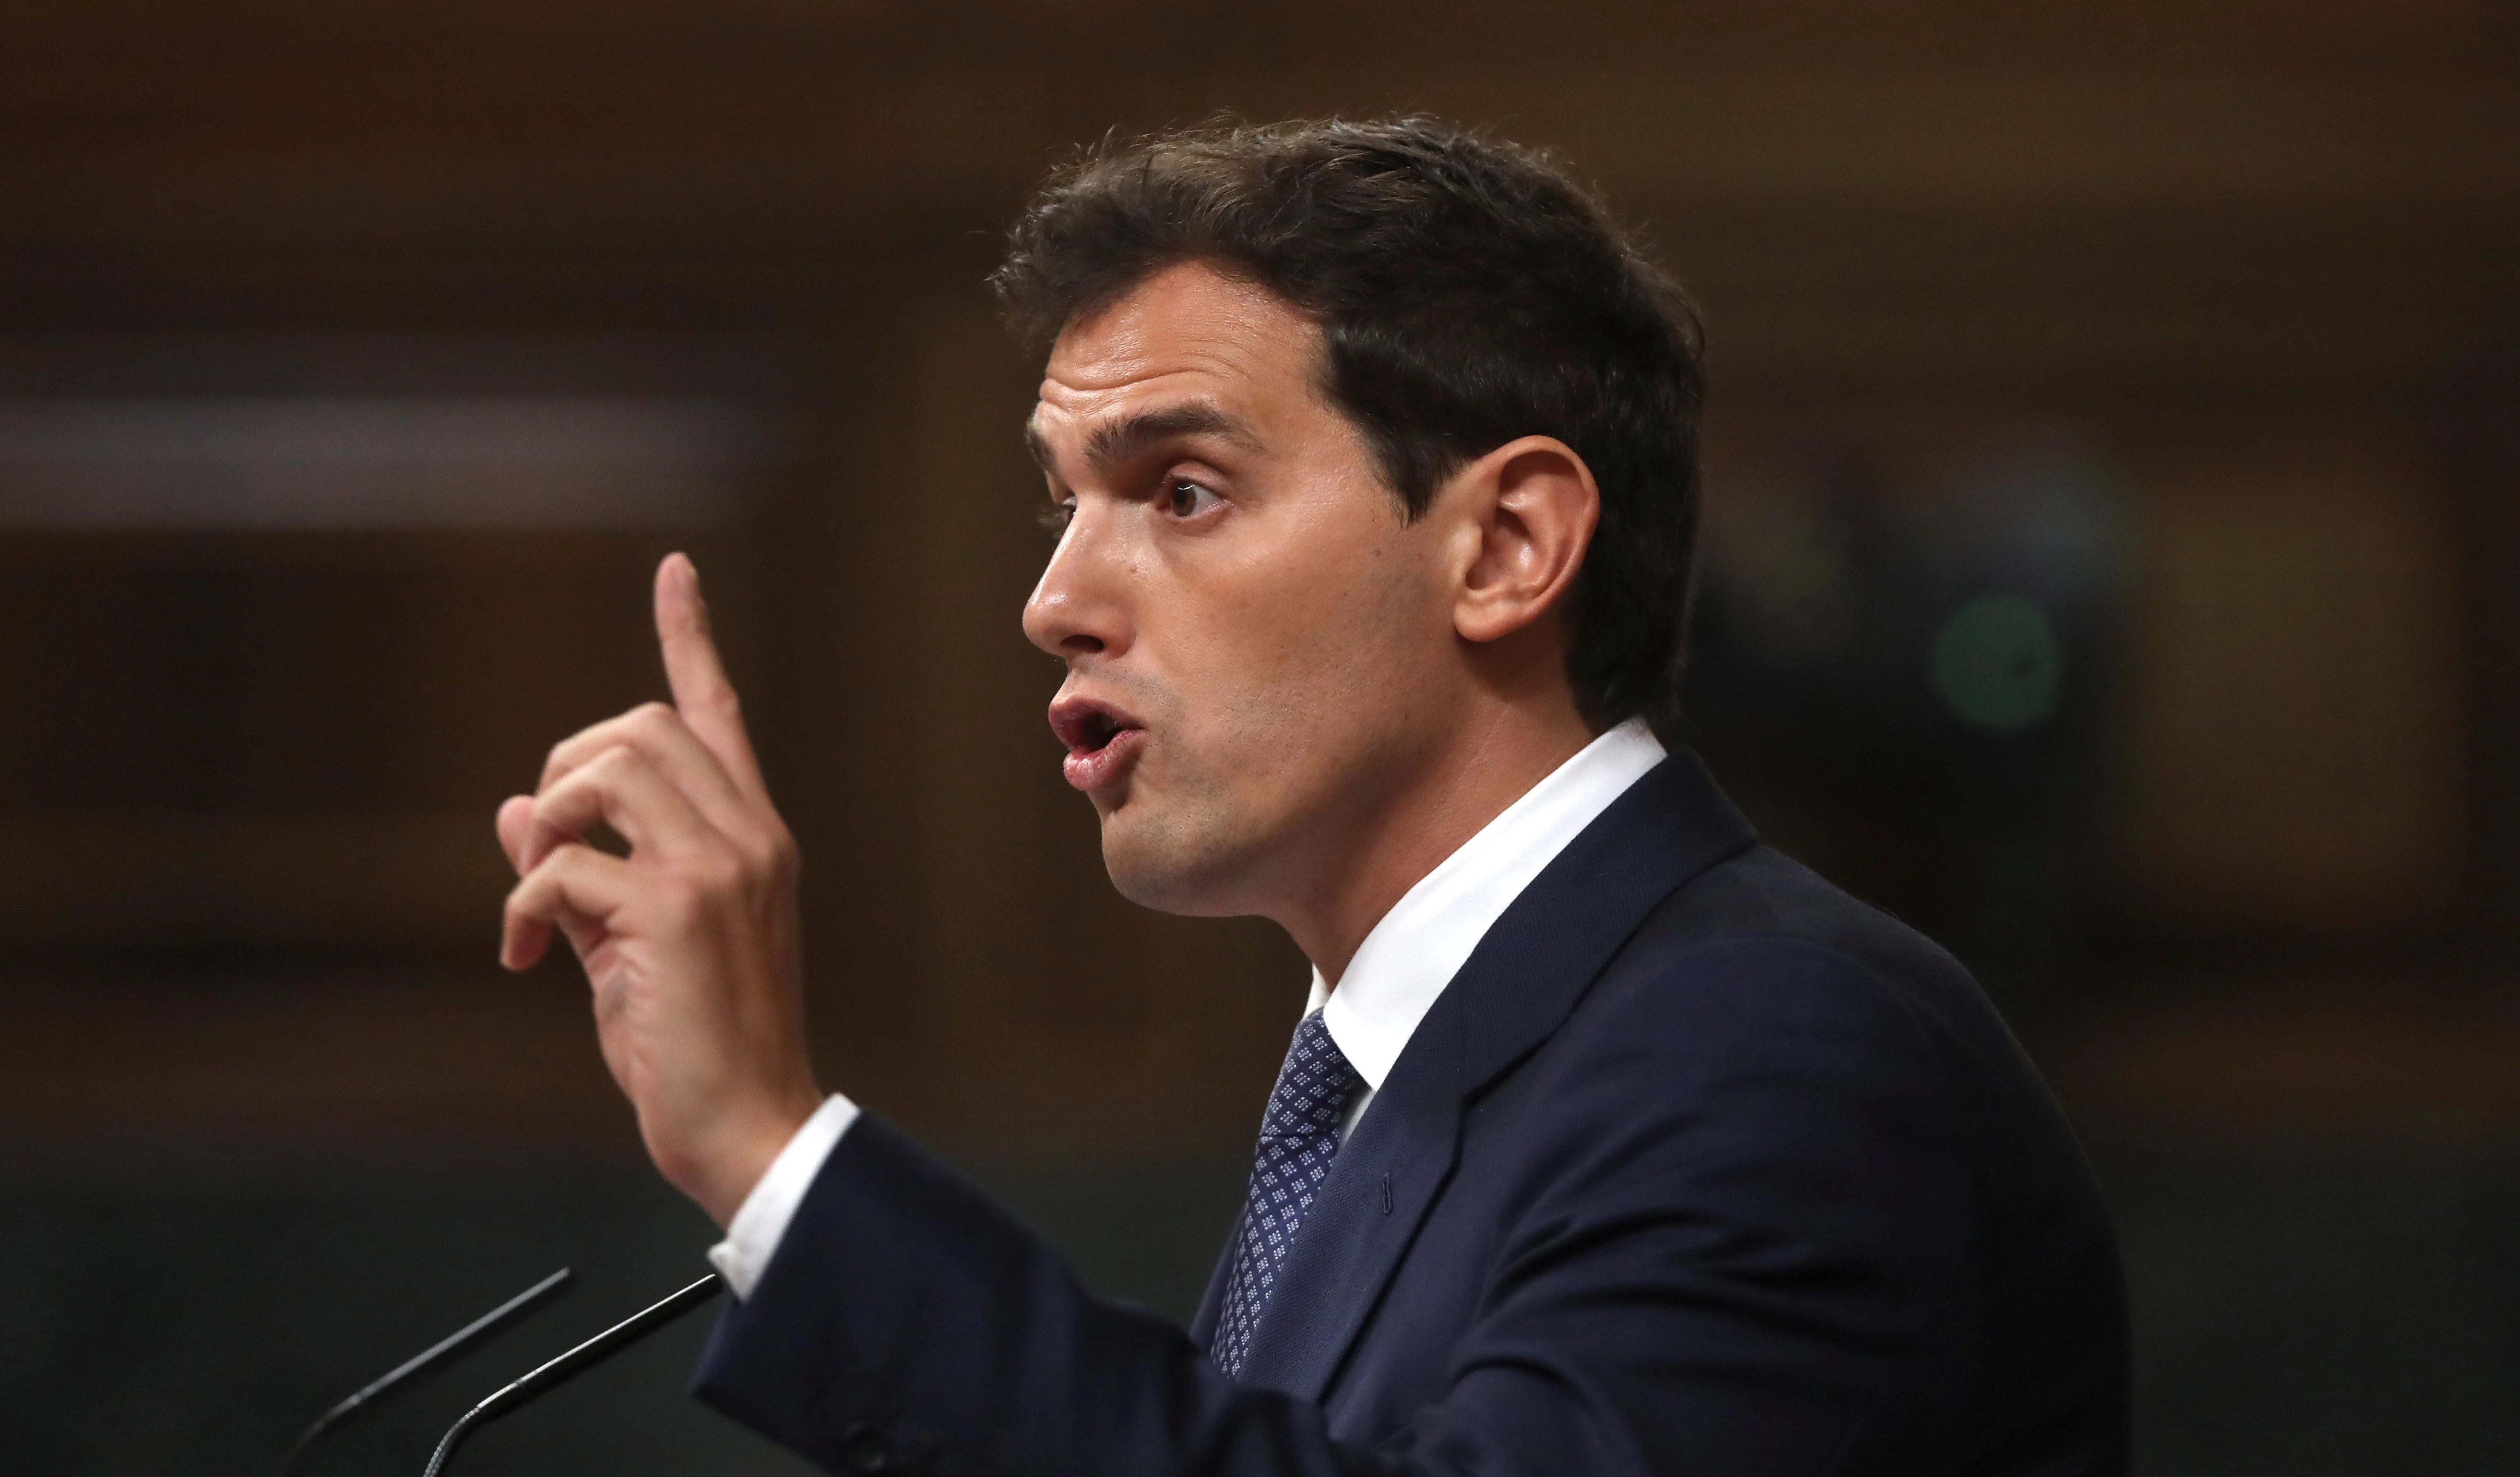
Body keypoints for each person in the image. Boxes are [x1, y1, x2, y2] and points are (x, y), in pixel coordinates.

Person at [494, 117, 2128, 1476]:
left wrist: (767, 1147)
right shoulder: (1408, 1070)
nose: (1054, 598)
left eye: (1183, 491)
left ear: (1505, 546)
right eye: (1064, 504)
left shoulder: (1777, 1042)